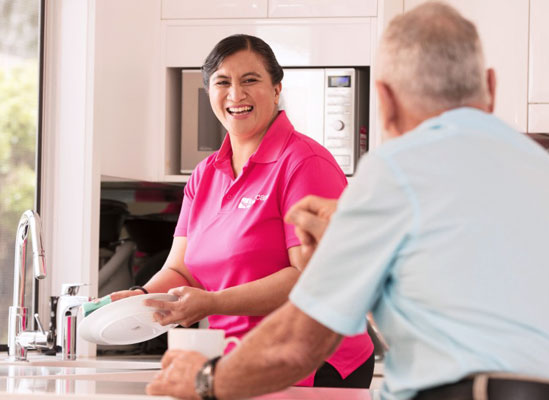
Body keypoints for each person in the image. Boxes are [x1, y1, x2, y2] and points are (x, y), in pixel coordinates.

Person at [146, 3, 549, 400]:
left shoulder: (400, 169)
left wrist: (204, 379)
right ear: (491, 87)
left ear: (386, 100)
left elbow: (298, 344)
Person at [105, 34, 375, 388]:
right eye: (223, 82)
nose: (236, 94)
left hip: (314, 360)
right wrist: (142, 299)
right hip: (241, 361)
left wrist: (212, 302)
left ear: (277, 89)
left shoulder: (304, 164)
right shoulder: (204, 176)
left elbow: (308, 278)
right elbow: (180, 269)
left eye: (250, 80)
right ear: (209, 94)